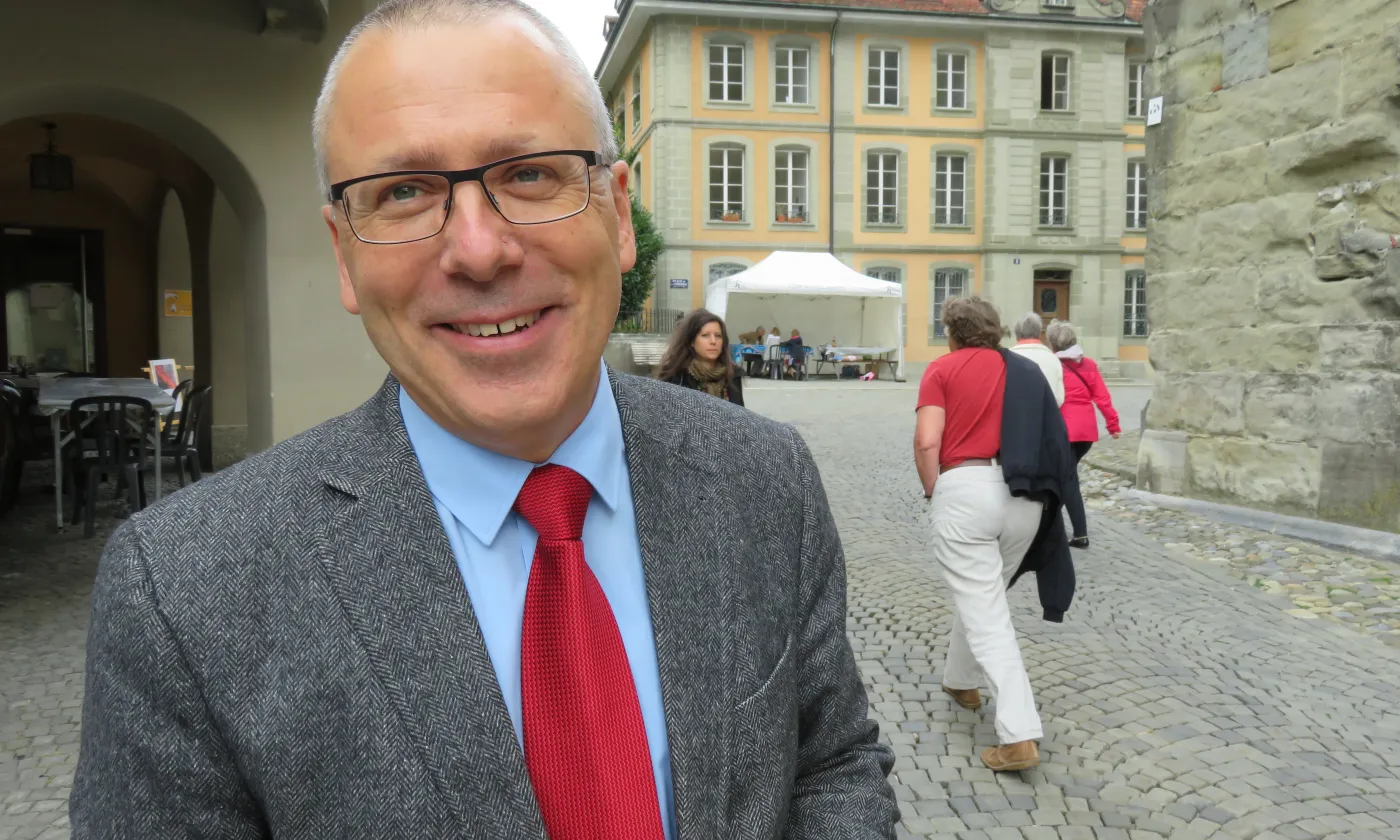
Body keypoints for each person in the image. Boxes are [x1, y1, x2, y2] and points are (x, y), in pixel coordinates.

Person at [69, 1, 899, 837]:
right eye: (402, 191)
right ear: (344, 256)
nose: (478, 250)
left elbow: (831, 761)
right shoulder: (183, 591)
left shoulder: (764, 476)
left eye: (529, 174)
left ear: (617, 214)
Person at [913, 297, 1076, 774]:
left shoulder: (942, 369)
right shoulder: (1024, 370)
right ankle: (960, 680)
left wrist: (932, 488)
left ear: (952, 333)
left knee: (987, 612)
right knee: (985, 596)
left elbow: (927, 440)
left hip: (966, 487)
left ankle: (1018, 734)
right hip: (1024, 496)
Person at [1046, 320, 1120, 549]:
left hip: (1065, 430)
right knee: (1064, 476)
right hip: (1086, 432)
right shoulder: (1088, 364)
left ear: (1053, 344)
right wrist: (1113, 425)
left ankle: (1080, 534)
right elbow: (1102, 397)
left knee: (1068, 479)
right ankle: (1047, 525)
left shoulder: (1053, 365)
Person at [656, 309, 744, 406]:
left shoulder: (733, 375)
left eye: (718, 336)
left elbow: (740, 412)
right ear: (692, 341)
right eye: (705, 335)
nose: (713, 341)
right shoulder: (677, 377)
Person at [1008, 312, 1064, 407]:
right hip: (1044, 412)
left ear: (1017, 334)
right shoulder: (1052, 358)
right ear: (1040, 334)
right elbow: (1059, 399)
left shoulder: (1007, 357)